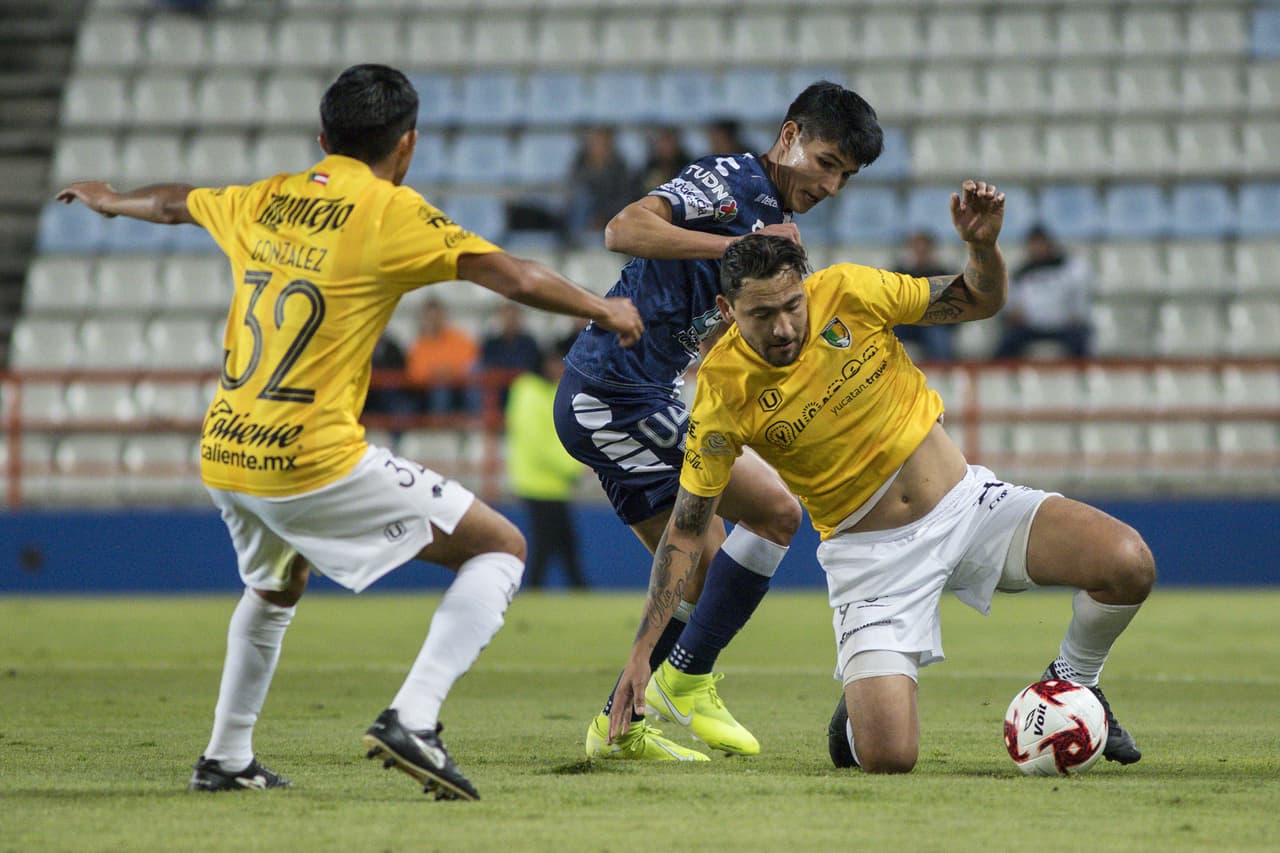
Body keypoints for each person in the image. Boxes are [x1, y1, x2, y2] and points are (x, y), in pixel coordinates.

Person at [56, 63, 642, 800]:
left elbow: (178, 203)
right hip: (309, 457)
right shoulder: (387, 211)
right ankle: (414, 718)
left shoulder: (266, 196)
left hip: (229, 448)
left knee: (276, 584)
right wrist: (606, 307)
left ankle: (226, 757)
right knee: (501, 546)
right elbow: (515, 277)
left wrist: (114, 201)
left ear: (323, 136)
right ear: (407, 147)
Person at [607, 196, 1153, 778]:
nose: (784, 327)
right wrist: (643, 652)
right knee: (890, 758)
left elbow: (981, 299)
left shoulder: (851, 291)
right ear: (727, 308)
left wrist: (982, 247)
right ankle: (857, 716)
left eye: (793, 306)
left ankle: (1075, 683)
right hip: (870, 562)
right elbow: (688, 530)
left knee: (1128, 563)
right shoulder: (722, 390)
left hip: (969, 508)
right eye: (762, 315)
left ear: (807, 286)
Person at [554, 81, 884, 760]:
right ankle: (688, 678)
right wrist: (739, 247)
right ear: (789, 136)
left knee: (702, 567)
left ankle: (622, 723)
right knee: (770, 515)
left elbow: (708, 319)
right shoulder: (733, 185)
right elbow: (624, 228)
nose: (832, 186)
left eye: (845, 176)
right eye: (826, 163)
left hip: (627, 393)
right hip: (615, 392)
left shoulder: (762, 211)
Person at [505, 335, 589, 589]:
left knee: (562, 543)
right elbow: (538, 444)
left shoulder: (543, 391)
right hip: (539, 483)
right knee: (551, 544)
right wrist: (573, 468)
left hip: (549, 483)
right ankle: (553, 590)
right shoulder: (529, 391)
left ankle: (572, 589)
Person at [993, 223, 1093, 359]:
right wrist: (1014, 314)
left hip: (1064, 326)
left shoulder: (1069, 268)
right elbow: (1010, 306)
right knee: (1007, 343)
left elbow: (1080, 296)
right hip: (1031, 328)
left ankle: (1084, 377)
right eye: (1034, 245)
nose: (1038, 249)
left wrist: (1076, 315)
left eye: (1041, 244)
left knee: (1080, 340)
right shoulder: (1020, 274)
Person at [565, 125, 643, 245]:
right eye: (595, 143)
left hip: (609, 214)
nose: (599, 148)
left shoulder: (619, 168)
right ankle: (574, 242)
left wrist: (603, 216)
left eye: (603, 143)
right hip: (585, 214)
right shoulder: (580, 164)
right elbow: (574, 192)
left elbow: (622, 197)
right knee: (582, 198)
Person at [406, 298, 479, 415]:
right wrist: (435, 373)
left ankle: (476, 421)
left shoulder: (458, 338)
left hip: (460, 386)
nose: (433, 321)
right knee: (440, 388)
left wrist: (450, 371)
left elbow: (471, 361)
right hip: (430, 392)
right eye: (429, 318)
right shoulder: (418, 345)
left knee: (475, 381)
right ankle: (440, 426)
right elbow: (415, 374)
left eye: (436, 317)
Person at [892, 230, 956, 361]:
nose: (920, 254)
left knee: (939, 339)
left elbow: (952, 304)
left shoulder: (942, 273)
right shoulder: (899, 273)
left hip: (932, 322)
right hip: (904, 322)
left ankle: (942, 373)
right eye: (916, 249)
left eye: (924, 250)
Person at [636, 125, 691, 192]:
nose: (666, 147)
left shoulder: (688, 169)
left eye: (669, 142)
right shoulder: (648, 169)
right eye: (662, 142)